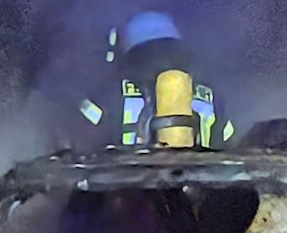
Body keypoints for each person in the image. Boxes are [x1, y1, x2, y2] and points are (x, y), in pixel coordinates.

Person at [75, 11, 236, 149]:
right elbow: (227, 142)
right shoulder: (208, 88)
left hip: (128, 183)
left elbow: (84, 137)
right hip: (203, 182)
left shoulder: (112, 84)